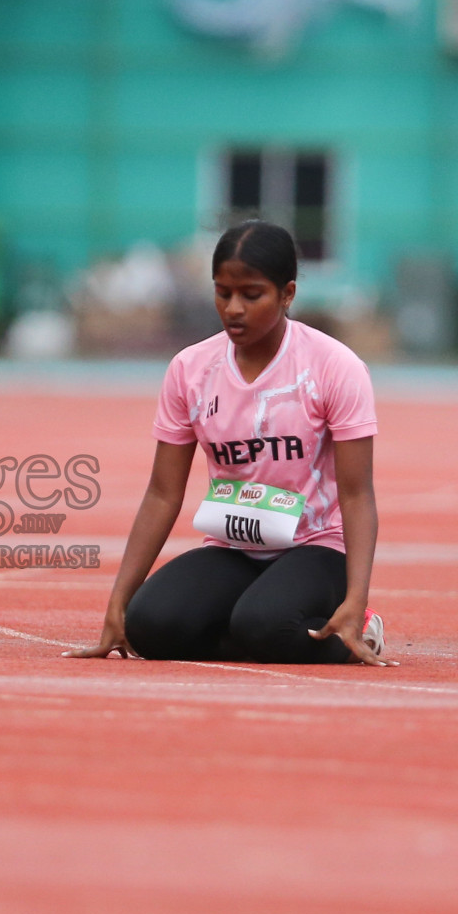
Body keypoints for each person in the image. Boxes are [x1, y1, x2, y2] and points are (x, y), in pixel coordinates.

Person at [65, 220, 394, 667]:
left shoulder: (335, 367)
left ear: (287, 294)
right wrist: (117, 602)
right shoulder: (190, 369)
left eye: (251, 295)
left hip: (317, 547)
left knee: (265, 623)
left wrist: (356, 598)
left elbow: (357, 495)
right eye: (223, 292)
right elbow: (163, 493)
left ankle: (351, 631)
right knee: (147, 626)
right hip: (232, 547)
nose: (233, 308)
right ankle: (250, 630)